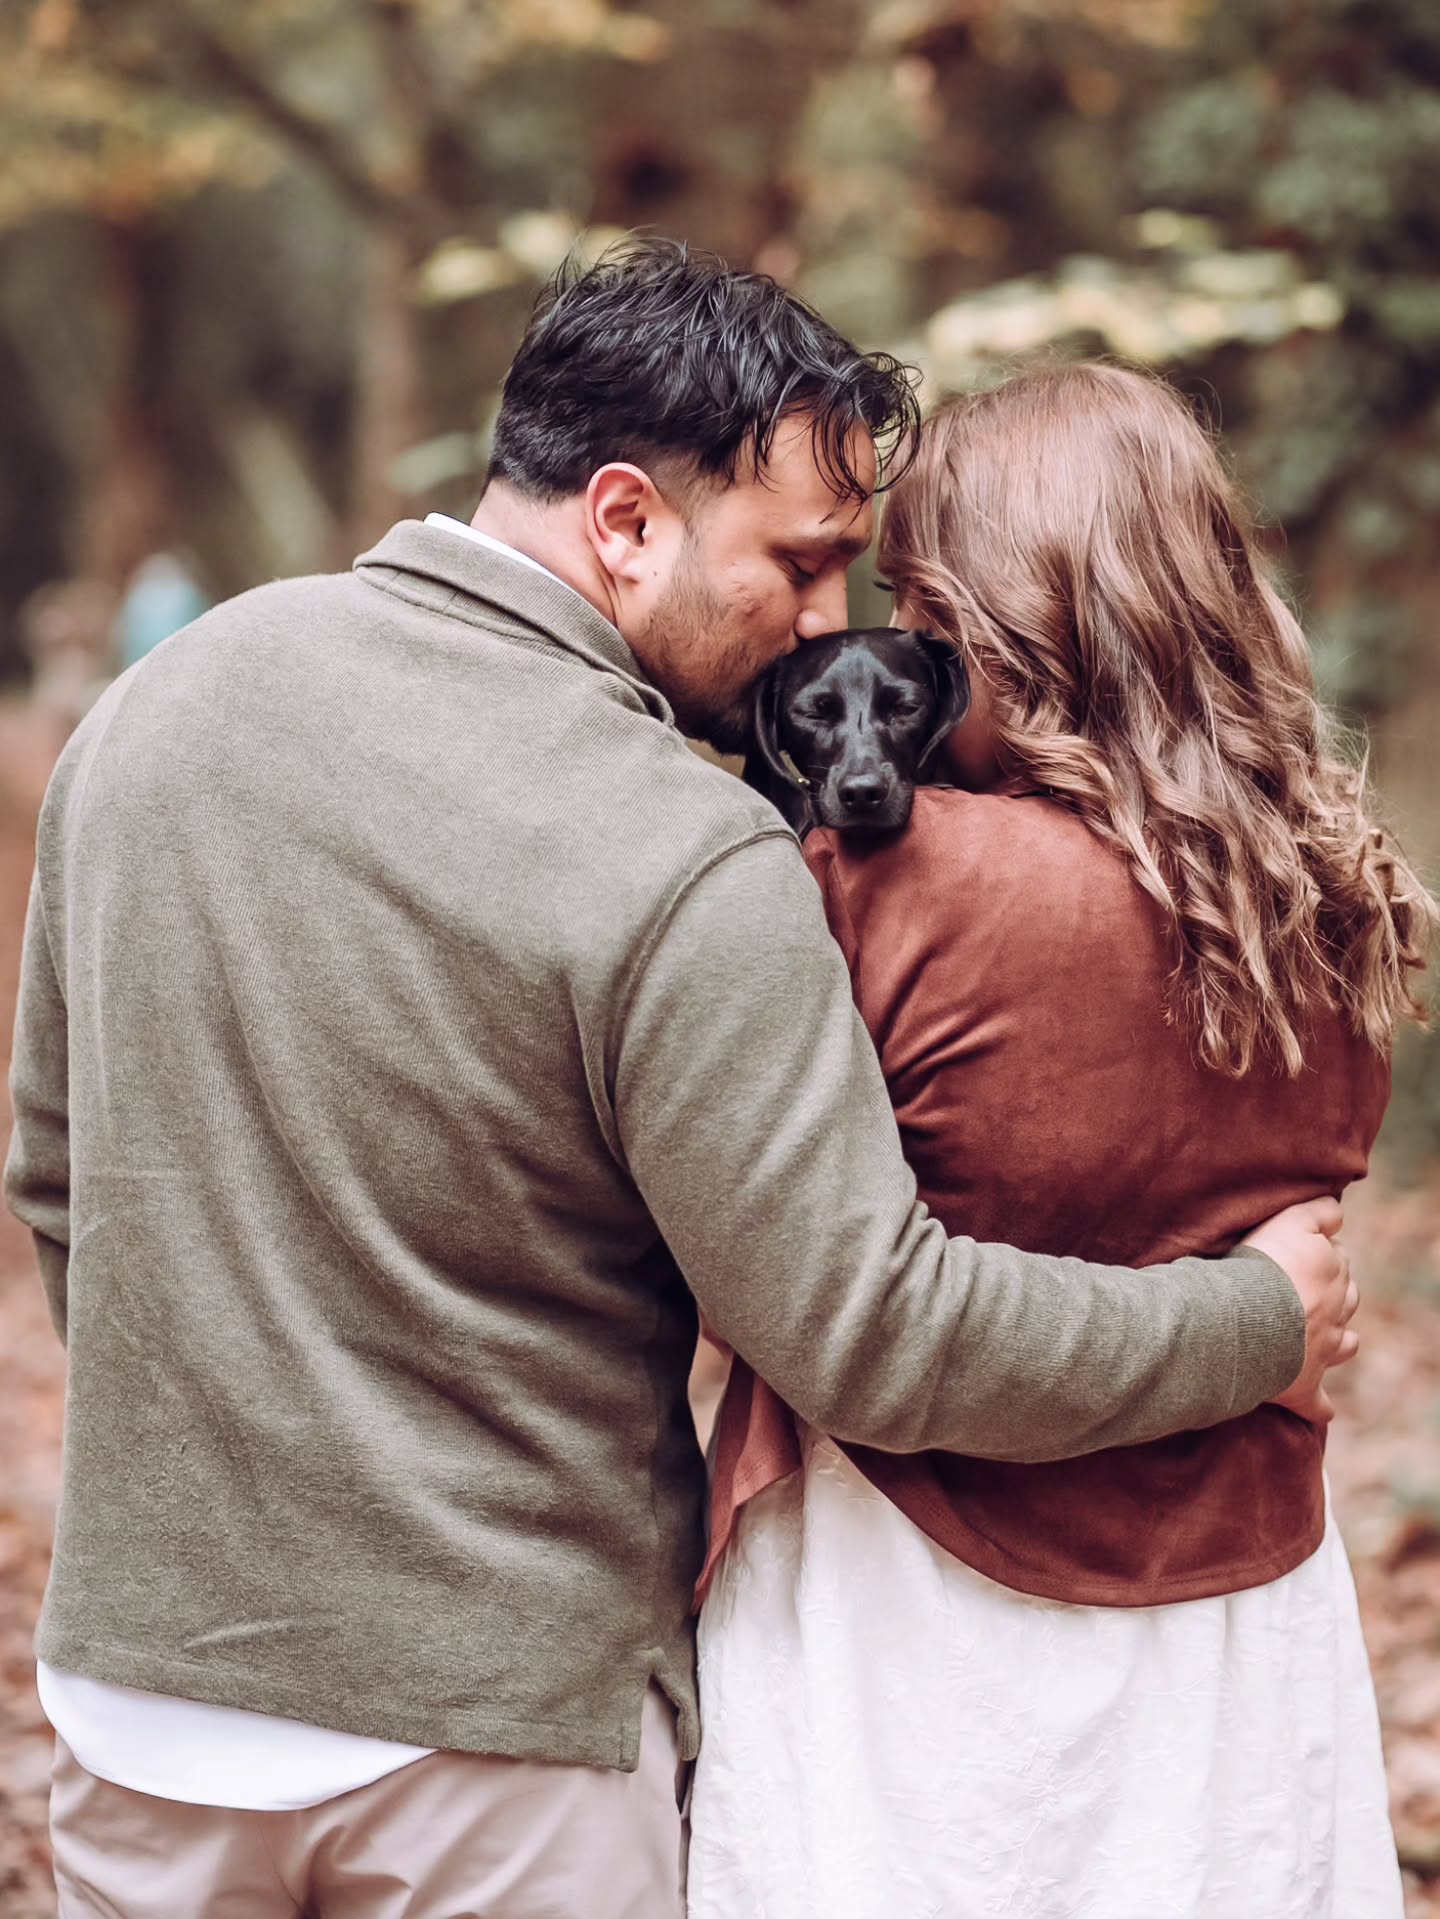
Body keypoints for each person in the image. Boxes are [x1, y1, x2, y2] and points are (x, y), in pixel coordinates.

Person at [6, 248, 1353, 1919]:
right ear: (628, 520)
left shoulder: (150, 715)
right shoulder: (689, 845)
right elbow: (873, 1331)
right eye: (801, 565)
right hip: (503, 1758)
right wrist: (1260, 1324)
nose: (827, 628)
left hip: (144, 1722)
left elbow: (62, 1184)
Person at [690, 361, 1435, 1919]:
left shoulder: (875, 879)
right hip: (1237, 1608)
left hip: (914, 1607)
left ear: (985, 626)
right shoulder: (1327, 902)